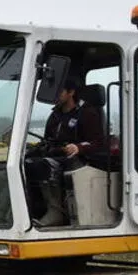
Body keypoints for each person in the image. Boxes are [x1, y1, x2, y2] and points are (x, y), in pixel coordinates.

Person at [24, 78, 106, 227]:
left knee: (44, 165)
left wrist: (78, 147)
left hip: (80, 159)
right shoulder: (55, 115)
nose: (55, 95)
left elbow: (98, 142)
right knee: (25, 163)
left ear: (71, 92)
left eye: (59, 91)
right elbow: (48, 140)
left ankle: (56, 213)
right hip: (56, 154)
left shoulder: (87, 113)